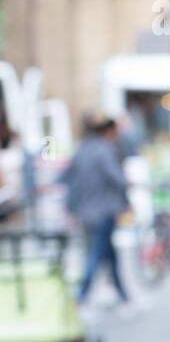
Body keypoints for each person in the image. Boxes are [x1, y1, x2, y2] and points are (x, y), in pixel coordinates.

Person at [63, 113, 131, 306]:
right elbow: (118, 179)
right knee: (95, 254)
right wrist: (127, 198)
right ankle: (82, 295)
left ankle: (123, 294)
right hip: (104, 211)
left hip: (85, 212)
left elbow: (68, 177)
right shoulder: (105, 150)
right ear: (108, 131)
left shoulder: (82, 149)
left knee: (109, 254)